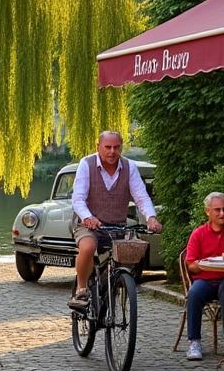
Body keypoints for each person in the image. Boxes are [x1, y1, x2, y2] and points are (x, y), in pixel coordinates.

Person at [68, 131, 161, 311]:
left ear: (121, 147)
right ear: (98, 147)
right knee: (87, 247)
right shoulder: (86, 164)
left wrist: (151, 218)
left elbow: (141, 197)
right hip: (87, 224)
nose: (112, 151)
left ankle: (110, 286)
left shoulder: (129, 167)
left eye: (116, 147)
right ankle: (81, 288)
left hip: (117, 226)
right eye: (108, 147)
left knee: (128, 256)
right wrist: (88, 217)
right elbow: (78, 198)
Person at [182, 192, 224, 360]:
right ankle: (194, 342)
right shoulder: (198, 234)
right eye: (217, 210)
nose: (222, 214)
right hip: (205, 280)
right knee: (194, 293)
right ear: (207, 211)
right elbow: (191, 265)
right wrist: (207, 263)